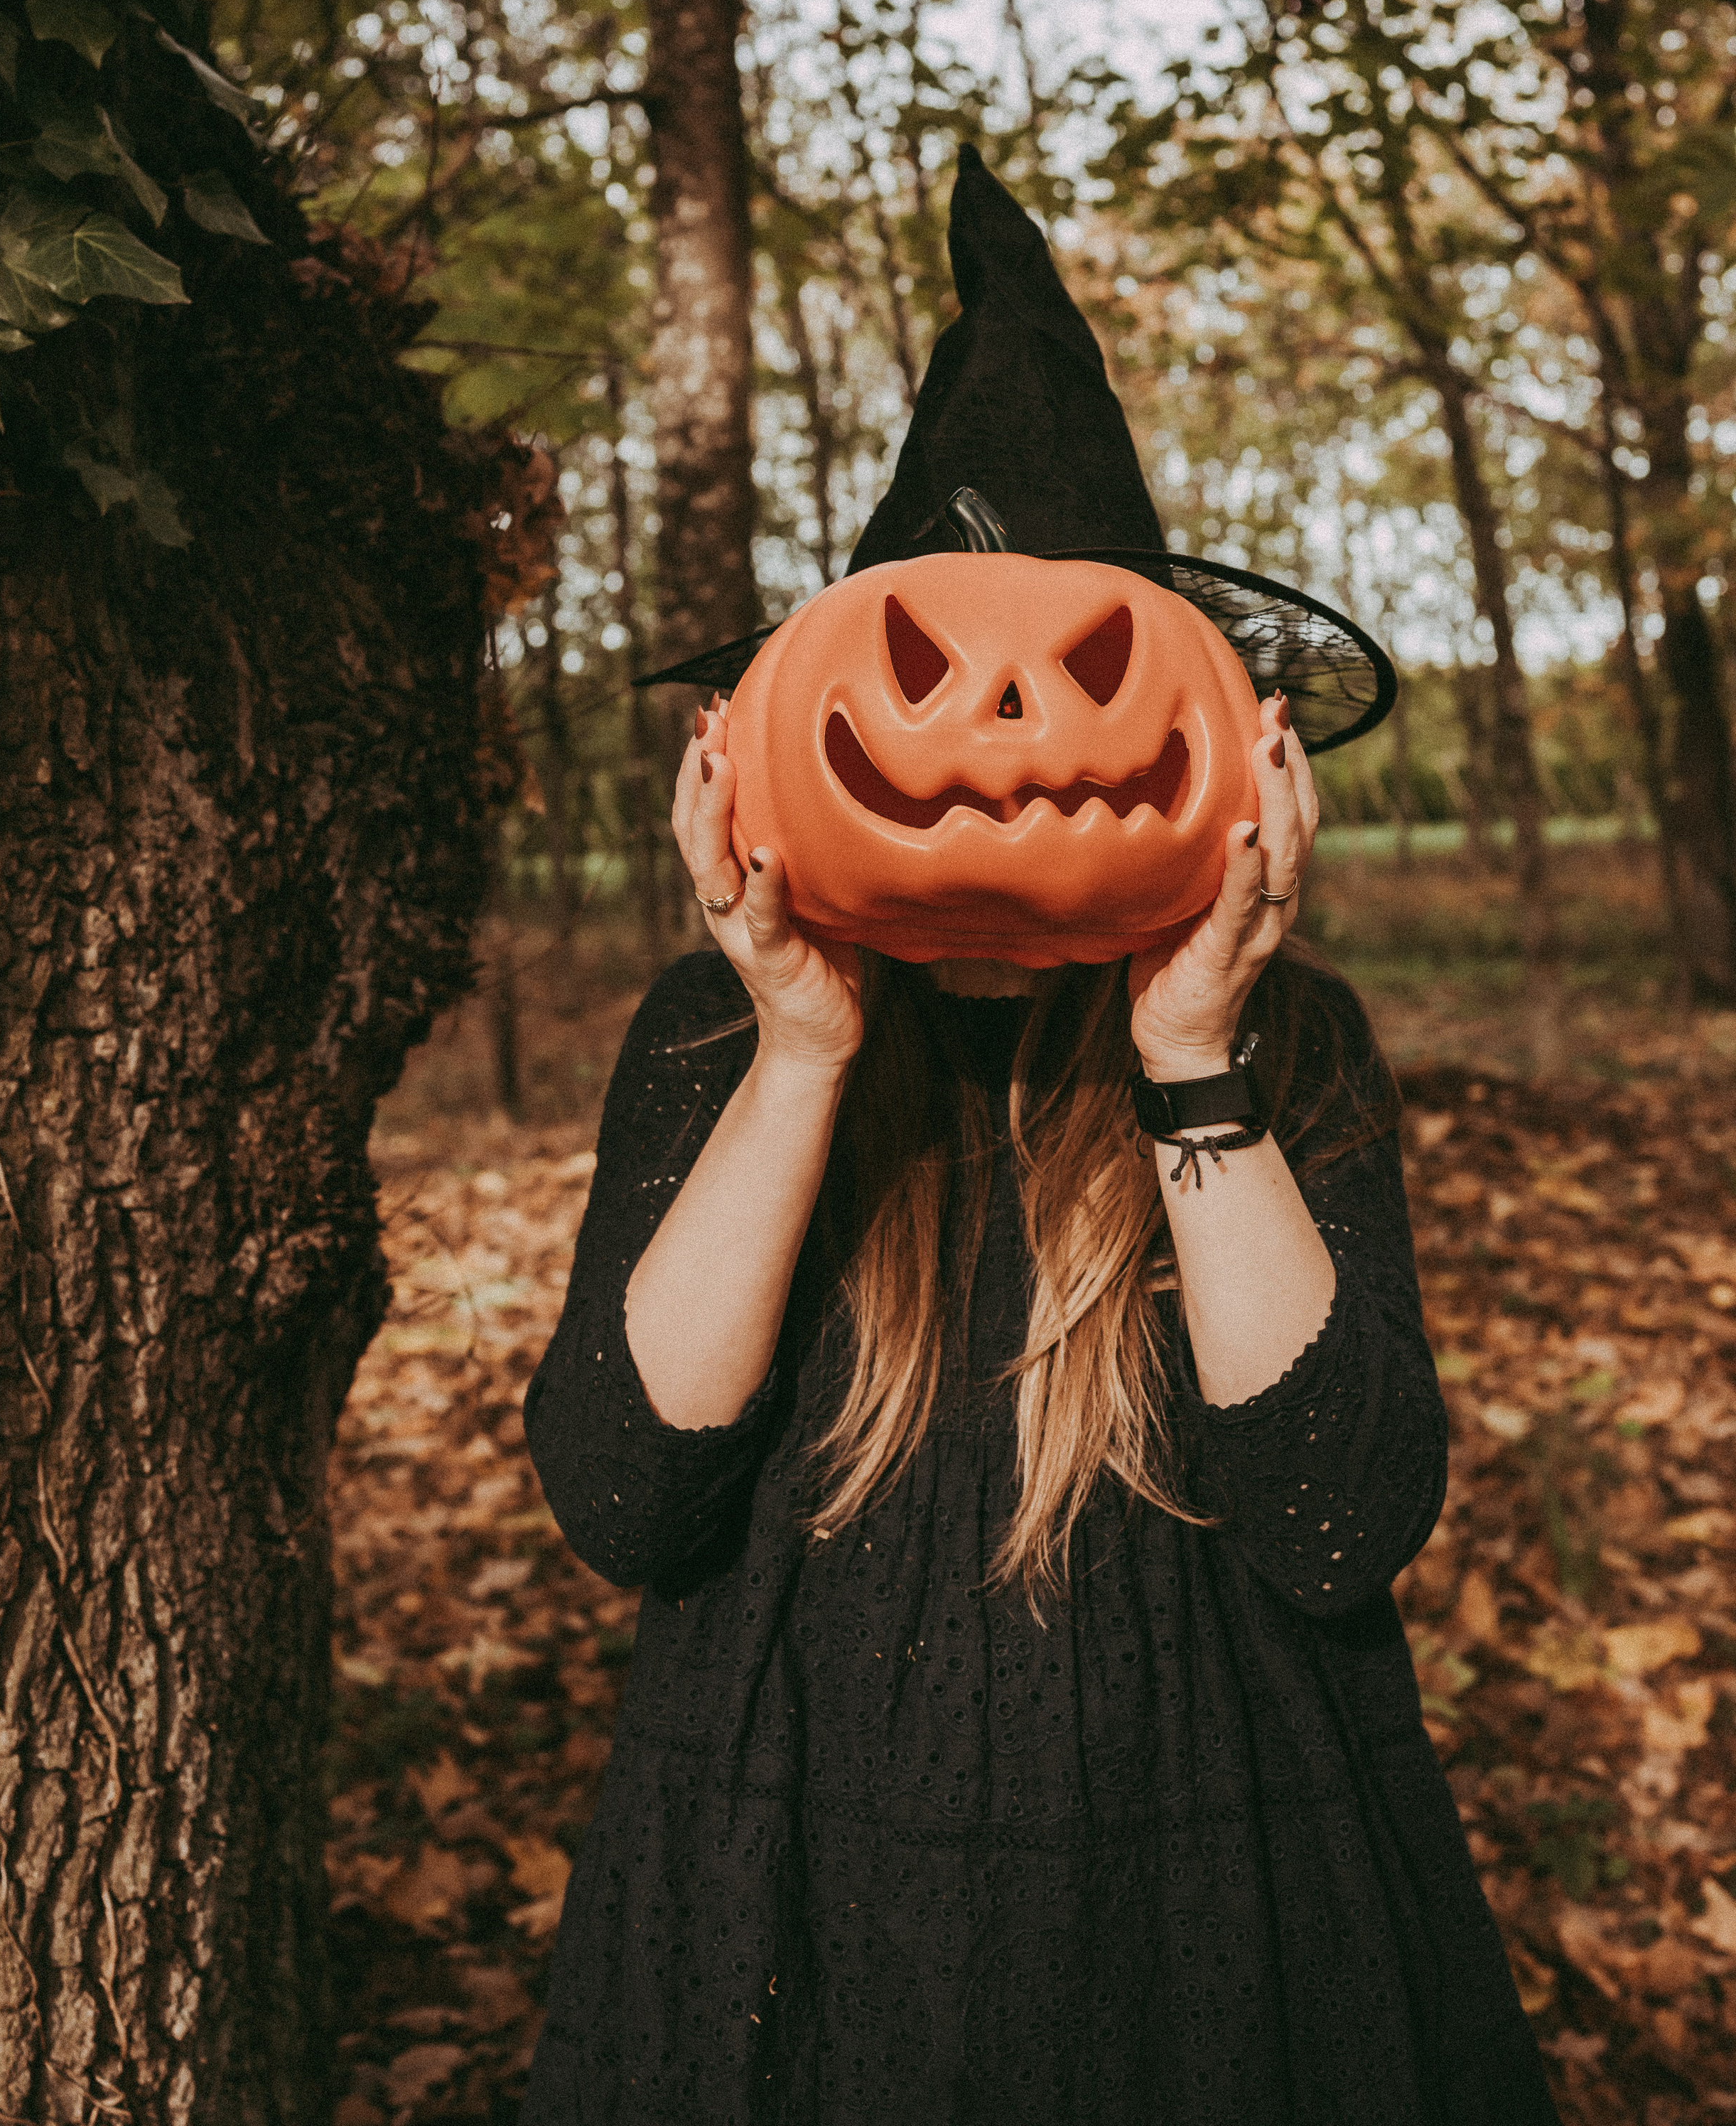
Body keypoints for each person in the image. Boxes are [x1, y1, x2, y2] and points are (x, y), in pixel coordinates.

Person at [520, 154, 1558, 2124]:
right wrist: (803, 1049)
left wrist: (1190, 1052)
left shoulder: (1285, 1042)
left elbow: (1343, 1519)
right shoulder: (716, 1038)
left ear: (1230, 745)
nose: (1002, 736)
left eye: (1091, 672)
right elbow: (627, 1496)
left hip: (1212, 1875)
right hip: (798, 1876)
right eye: (920, 674)